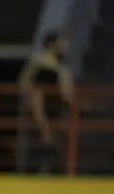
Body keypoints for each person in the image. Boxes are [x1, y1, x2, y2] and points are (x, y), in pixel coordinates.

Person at [19, 31, 75, 174]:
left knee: (53, 155)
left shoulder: (60, 67)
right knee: (44, 153)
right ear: (52, 45)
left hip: (55, 116)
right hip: (45, 118)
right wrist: (43, 124)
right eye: (63, 42)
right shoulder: (44, 66)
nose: (67, 46)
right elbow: (36, 94)